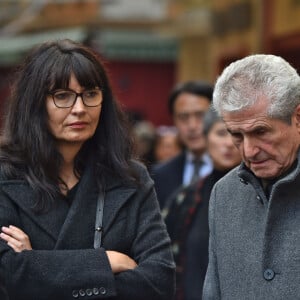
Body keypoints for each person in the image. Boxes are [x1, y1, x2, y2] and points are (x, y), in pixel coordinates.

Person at [0, 39, 175, 300]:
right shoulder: (5, 177)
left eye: (90, 94)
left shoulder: (131, 178)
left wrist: (37, 264)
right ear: (35, 104)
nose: (80, 109)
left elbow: (159, 280)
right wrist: (106, 261)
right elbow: (6, 276)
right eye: (62, 96)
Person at [203, 54, 300, 299]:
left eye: (260, 131)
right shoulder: (224, 192)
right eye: (236, 134)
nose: (248, 151)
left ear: (297, 118)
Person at [163, 107, 241, 300]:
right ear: (205, 138)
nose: (229, 143)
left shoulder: (263, 194)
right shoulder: (185, 198)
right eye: (221, 133)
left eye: (237, 135)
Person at [151, 81, 213, 208]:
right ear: (174, 120)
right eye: (183, 117)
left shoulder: (234, 171)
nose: (192, 126)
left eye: (200, 115)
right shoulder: (160, 174)